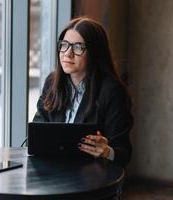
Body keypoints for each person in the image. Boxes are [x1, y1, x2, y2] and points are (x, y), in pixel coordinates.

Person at [33, 17, 133, 168]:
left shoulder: (112, 91)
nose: (67, 53)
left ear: (94, 52)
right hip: (52, 173)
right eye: (64, 45)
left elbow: (124, 153)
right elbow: (38, 129)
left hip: (92, 178)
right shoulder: (52, 82)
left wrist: (107, 151)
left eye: (78, 47)